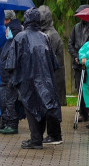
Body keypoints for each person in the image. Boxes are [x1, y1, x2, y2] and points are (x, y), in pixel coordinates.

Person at [11, 8, 62, 149]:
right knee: (41, 107)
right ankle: (36, 138)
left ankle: (36, 139)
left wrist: (14, 79)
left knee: (31, 108)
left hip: (27, 79)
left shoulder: (20, 37)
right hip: (44, 79)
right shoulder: (44, 37)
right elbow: (53, 63)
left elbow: (11, 62)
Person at [0, 10, 23, 134]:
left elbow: (15, 62)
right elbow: (1, 56)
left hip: (10, 79)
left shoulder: (15, 41)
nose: (5, 30)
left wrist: (13, 77)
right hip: (4, 78)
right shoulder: (9, 42)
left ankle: (12, 124)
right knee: (4, 101)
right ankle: (6, 122)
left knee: (10, 101)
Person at [68, 4, 89, 122]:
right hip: (78, 64)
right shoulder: (76, 27)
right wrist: (76, 56)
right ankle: (83, 113)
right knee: (80, 89)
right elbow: (70, 44)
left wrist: (86, 57)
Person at [38, 6, 66, 107]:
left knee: (53, 106)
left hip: (54, 75)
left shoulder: (51, 34)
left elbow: (47, 56)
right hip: (50, 75)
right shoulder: (45, 33)